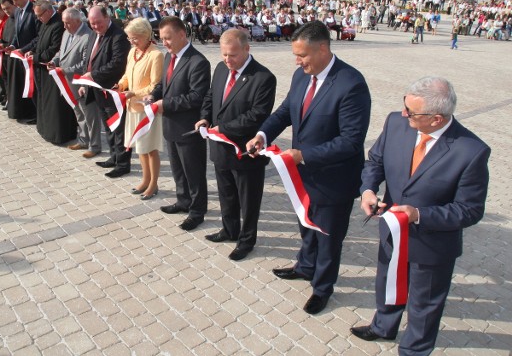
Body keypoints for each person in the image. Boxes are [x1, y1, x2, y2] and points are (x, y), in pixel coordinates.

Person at [350, 77, 490, 356]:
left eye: (411, 112)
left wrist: (419, 214)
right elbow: (375, 161)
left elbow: (470, 209)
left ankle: (414, 349)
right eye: (405, 106)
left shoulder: (471, 151)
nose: (404, 114)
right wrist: (368, 190)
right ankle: (383, 327)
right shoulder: (396, 123)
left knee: (424, 304)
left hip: (432, 245)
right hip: (391, 232)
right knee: (386, 284)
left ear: (437, 119)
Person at [246, 21, 371, 315]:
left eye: (302, 55)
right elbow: (285, 112)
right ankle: (304, 266)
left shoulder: (351, 84)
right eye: (295, 55)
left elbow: (351, 141)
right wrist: (262, 135)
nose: (297, 61)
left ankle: (322, 288)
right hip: (302, 174)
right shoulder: (301, 76)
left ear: (323, 49)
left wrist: (303, 155)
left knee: (327, 237)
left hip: (333, 178)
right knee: (306, 225)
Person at [196, 29, 276, 260]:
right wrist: (205, 118)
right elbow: (212, 97)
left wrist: (224, 128)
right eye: (223, 55)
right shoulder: (221, 69)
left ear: (246, 49)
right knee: (226, 194)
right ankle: (229, 230)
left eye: (232, 55)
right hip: (220, 148)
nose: (227, 60)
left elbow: (257, 115)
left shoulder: (263, 78)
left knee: (248, 200)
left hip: (246, 151)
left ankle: (247, 240)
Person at [150, 16, 211, 231]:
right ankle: (183, 201)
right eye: (161, 38)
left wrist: (165, 104)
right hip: (170, 126)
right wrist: (153, 95)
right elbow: (163, 84)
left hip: (188, 128)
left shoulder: (198, 62)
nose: (163, 42)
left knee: (193, 173)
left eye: (167, 38)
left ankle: (197, 211)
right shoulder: (170, 56)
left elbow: (196, 97)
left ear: (182, 35)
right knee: (178, 170)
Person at [77, 5, 131, 178]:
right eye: (92, 23)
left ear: (107, 17)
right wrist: (85, 82)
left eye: (98, 23)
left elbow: (117, 64)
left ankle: (123, 164)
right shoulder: (94, 33)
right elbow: (88, 60)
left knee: (119, 129)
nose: (95, 27)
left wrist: (92, 75)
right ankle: (113, 157)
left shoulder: (118, 36)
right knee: (108, 126)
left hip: (112, 90)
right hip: (97, 89)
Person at [117, 18, 164, 200]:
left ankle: (153, 184)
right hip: (132, 108)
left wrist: (133, 93)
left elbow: (155, 86)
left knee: (150, 149)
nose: (132, 41)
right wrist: (120, 86)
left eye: (135, 38)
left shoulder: (156, 55)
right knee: (140, 148)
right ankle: (145, 179)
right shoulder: (132, 52)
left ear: (145, 36)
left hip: (147, 110)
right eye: (130, 38)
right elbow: (127, 75)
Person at [49, 8, 101, 157]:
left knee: (90, 115)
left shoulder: (88, 36)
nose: (64, 26)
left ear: (78, 21)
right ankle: (84, 139)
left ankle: (95, 145)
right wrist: (54, 61)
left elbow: (86, 63)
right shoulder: (67, 33)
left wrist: (66, 70)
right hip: (69, 83)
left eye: (67, 23)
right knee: (78, 112)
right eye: (64, 23)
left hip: (82, 82)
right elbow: (61, 52)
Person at [29, 0, 69, 144]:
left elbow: (54, 49)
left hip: (51, 69)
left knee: (54, 105)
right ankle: (45, 129)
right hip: (41, 69)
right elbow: (39, 40)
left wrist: (37, 57)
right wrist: (31, 51)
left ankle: (56, 134)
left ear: (48, 12)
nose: (38, 18)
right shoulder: (45, 23)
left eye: (40, 15)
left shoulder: (58, 24)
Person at [6, 0, 38, 121]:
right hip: (20, 55)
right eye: (12, 0)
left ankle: (35, 113)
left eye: (16, 0)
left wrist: (24, 49)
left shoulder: (35, 11)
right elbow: (17, 33)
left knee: (32, 86)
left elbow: (38, 36)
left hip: (31, 55)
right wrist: (13, 45)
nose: (14, 3)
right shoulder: (18, 11)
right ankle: (25, 111)